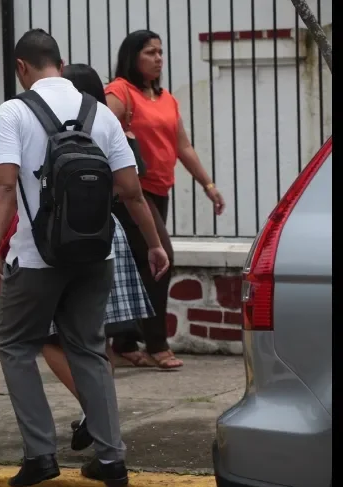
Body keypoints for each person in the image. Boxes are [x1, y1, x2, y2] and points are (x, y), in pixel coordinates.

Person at [0, 29, 168, 487]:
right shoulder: (100, 113)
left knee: (16, 345)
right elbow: (131, 191)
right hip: (94, 254)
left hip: (36, 257)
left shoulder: (14, 112)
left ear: (22, 67)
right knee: (88, 348)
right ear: (59, 65)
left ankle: (41, 454)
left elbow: (4, 185)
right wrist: (156, 243)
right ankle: (111, 457)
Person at [105, 30, 226, 370]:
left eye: (160, 52)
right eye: (150, 52)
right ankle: (157, 343)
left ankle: (124, 342)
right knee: (162, 259)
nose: (158, 58)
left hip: (160, 192)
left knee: (143, 265)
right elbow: (100, 123)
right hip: (132, 194)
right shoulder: (120, 92)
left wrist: (208, 184)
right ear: (133, 57)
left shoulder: (166, 99)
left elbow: (182, 146)